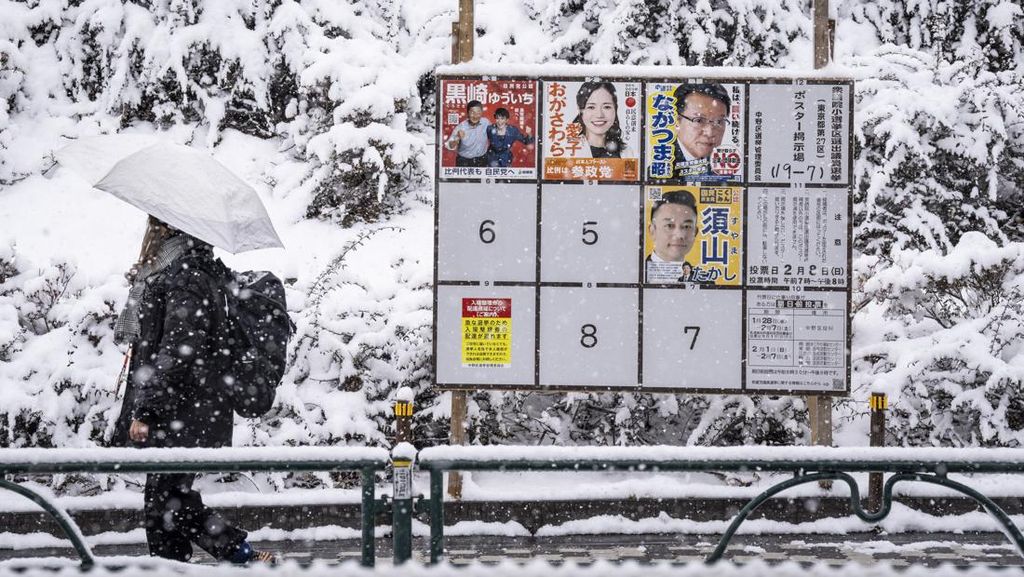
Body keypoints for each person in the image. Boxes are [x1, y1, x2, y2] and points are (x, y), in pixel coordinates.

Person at [111, 216, 275, 565]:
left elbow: (177, 352)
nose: (148, 230)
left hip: (182, 412)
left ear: (170, 228)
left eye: (154, 222)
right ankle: (228, 556)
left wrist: (148, 410)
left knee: (166, 503)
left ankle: (231, 555)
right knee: (169, 500)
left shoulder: (186, 276)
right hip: (192, 409)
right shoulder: (188, 271)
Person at [670, 83, 731, 179]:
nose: (710, 132)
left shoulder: (725, 169)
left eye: (719, 121)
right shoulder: (660, 169)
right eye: (699, 120)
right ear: (677, 121)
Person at [567, 82, 632, 158]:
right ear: (580, 110)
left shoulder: (627, 152)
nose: (599, 115)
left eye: (606, 107)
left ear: (615, 109)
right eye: (591, 107)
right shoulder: (567, 150)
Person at [645, 190, 698, 283]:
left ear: (695, 232)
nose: (679, 235)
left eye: (686, 226)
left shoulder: (703, 280)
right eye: (669, 225)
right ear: (652, 231)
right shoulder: (636, 274)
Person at [445, 100, 490, 167]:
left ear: (481, 113)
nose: (475, 116)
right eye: (472, 112)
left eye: (478, 112)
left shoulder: (486, 122)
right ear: (467, 113)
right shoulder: (461, 127)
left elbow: (494, 133)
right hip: (464, 162)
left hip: (482, 160)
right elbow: (449, 146)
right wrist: (457, 138)